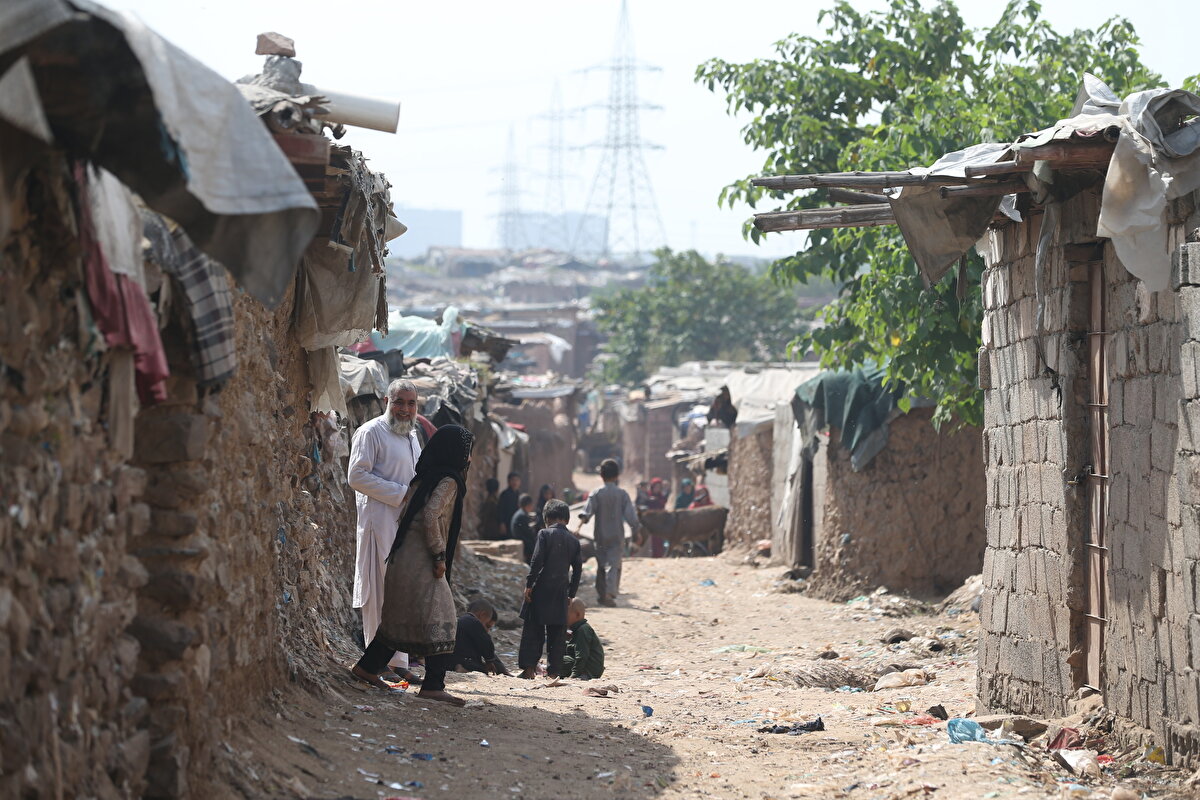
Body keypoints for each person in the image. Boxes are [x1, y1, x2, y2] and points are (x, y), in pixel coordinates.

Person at [351, 425, 475, 706]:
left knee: (398, 619)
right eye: (467, 452)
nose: (468, 459)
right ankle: (433, 685)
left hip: (401, 559)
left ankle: (367, 668)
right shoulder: (449, 481)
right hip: (422, 563)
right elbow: (431, 515)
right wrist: (439, 556)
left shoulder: (424, 478)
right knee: (442, 618)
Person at [348, 378, 422, 682]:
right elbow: (356, 476)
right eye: (399, 402)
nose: (405, 409)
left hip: (403, 525)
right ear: (385, 401)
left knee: (399, 590)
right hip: (379, 521)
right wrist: (400, 494)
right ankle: (374, 662)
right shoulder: (370, 432)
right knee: (378, 592)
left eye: (410, 403)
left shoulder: (411, 435)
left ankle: (397, 661)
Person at [518, 500, 582, 679]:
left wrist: (529, 585)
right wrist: (571, 594)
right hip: (560, 591)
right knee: (557, 634)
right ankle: (553, 672)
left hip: (541, 589)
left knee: (533, 629)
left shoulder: (544, 534)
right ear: (567, 520)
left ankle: (529, 669)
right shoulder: (574, 541)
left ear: (546, 518)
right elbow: (577, 570)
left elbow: (536, 561)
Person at [578, 459, 638, 607]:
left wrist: (578, 526)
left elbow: (586, 512)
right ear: (617, 475)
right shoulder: (622, 494)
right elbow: (631, 517)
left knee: (601, 564)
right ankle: (608, 594)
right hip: (617, 535)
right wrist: (636, 529)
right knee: (613, 564)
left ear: (601, 475)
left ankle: (602, 593)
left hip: (600, 535)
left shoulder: (597, 493)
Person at [451, 599, 510, 676]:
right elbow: (486, 643)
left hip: (450, 661)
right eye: (486, 625)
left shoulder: (459, 621)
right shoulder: (475, 623)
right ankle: (464, 669)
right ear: (482, 614)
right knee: (483, 669)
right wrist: (489, 661)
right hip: (466, 661)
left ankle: (460, 667)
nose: (486, 630)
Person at [562, 598, 604, 680]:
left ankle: (583, 674)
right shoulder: (577, 629)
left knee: (558, 662)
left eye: (565, 615)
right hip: (585, 666)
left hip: (589, 670)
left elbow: (581, 655)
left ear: (577, 615)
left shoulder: (582, 630)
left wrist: (574, 675)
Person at [644, 477, 669, 558]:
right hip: (649, 523)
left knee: (659, 541)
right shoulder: (647, 496)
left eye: (659, 487)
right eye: (656, 487)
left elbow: (663, 505)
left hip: (659, 523)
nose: (657, 489)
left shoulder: (661, 497)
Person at [510, 493, 537, 564]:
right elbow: (528, 534)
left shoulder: (520, 513)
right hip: (522, 540)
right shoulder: (522, 515)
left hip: (519, 537)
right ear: (528, 505)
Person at [497, 472, 522, 537]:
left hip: (516, 523)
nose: (515, 482)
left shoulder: (519, 494)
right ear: (508, 481)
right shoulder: (504, 494)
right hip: (506, 523)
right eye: (513, 480)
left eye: (517, 480)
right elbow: (500, 510)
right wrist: (502, 523)